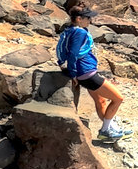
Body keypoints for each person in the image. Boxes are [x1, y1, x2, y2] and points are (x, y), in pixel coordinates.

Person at [56, 7, 131, 143]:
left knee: (101, 100)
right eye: (88, 18)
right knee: (118, 98)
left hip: (84, 72)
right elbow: (73, 53)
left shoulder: (70, 30)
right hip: (86, 73)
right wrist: (73, 73)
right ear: (79, 19)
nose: (90, 20)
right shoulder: (80, 32)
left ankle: (112, 128)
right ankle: (105, 130)